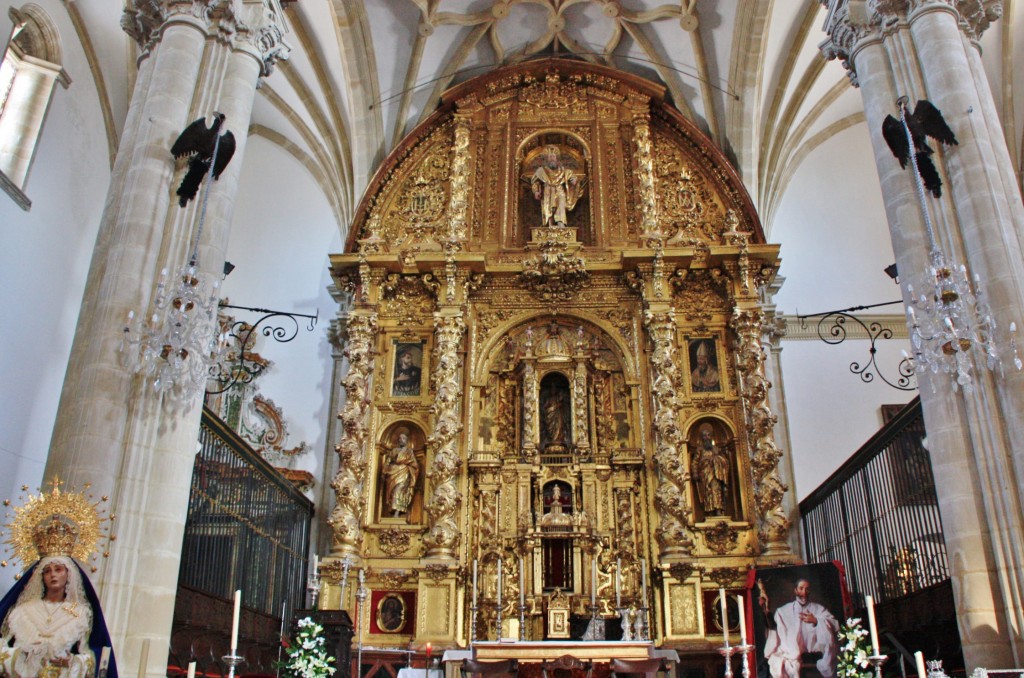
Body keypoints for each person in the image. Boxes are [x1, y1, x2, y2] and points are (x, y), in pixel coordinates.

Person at [761, 579, 839, 678]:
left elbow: (835, 625)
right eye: (801, 588)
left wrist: (816, 621)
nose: (804, 592)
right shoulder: (783, 611)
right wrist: (766, 611)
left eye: (807, 589)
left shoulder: (818, 609)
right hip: (792, 655)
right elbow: (774, 631)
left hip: (814, 654)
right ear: (795, 590)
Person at [531, 145, 584, 227]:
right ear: (547, 159)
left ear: (557, 159)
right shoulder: (541, 171)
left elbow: (572, 176)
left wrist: (574, 180)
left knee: (561, 205)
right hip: (547, 191)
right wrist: (536, 191)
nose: (552, 158)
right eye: (550, 157)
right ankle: (550, 225)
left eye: (553, 157)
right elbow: (535, 182)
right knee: (548, 207)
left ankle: (561, 223)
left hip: (559, 191)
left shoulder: (563, 171)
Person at [692, 423, 729, 516]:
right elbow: (695, 462)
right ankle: (710, 511)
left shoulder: (716, 449)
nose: (707, 437)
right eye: (704, 436)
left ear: (711, 436)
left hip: (716, 473)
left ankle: (718, 510)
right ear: (702, 438)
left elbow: (725, 461)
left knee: (716, 490)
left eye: (708, 435)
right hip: (704, 474)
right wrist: (695, 472)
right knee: (707, 492)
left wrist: (716, 458)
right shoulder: (700, 449)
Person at [383, 428, 419, 516]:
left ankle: (397, 511)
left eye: (403, 438)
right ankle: (393, 510)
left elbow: (415, 464)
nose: (401, 440)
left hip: (404, 473)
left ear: (406, 441)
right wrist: (385, 470)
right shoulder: (394, 451)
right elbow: (388, 461)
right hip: (393, 473)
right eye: (399, 438)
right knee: (392, 491)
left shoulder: (409, 451)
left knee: (399, 490)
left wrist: (407, 463)